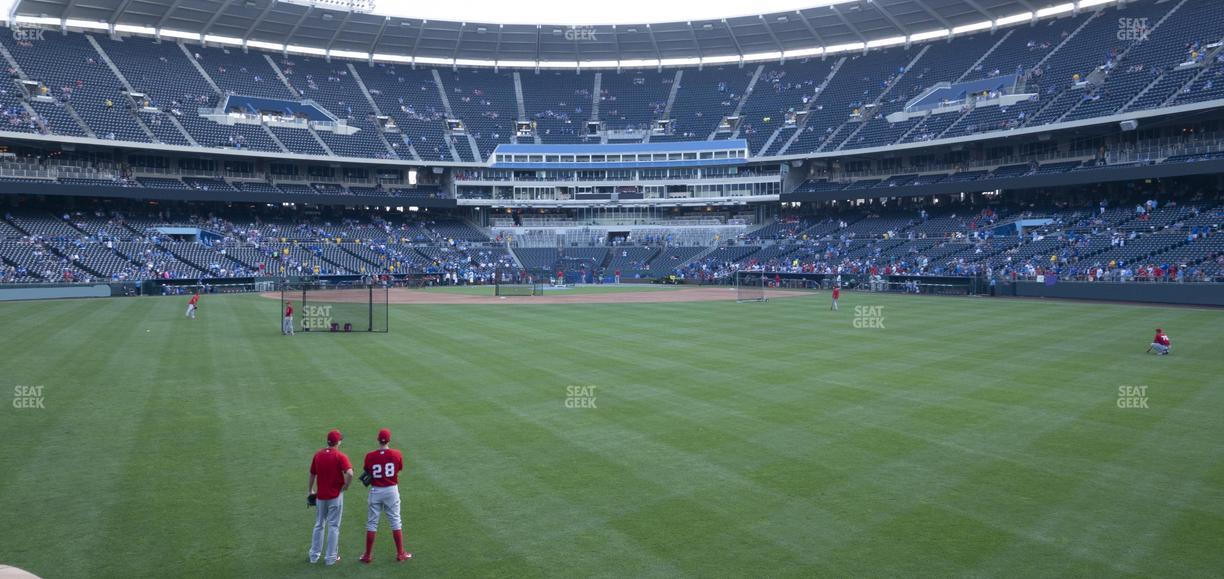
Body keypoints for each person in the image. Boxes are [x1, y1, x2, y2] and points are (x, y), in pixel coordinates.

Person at [360, 428, 412, 563]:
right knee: (395, 521)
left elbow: (367, 471)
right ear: (389, 440)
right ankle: (400, 554)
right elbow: (399, 469)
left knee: (372, 523)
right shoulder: (396, 454)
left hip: (376, 491)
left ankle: (367, 555)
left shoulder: (370, 456)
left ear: (378, 440)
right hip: (391, 490)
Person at [309, 429, 353, 565]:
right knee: (333, 526)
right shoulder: (340, 456)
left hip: (321, 497)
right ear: (338, 442)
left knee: (319, 525)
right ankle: (330, 558)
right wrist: (346, 485)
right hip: (335, 497)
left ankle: (314, 556)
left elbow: (312, 474)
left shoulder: (318, 455)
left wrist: (310, 490)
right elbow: (350, 473)